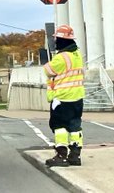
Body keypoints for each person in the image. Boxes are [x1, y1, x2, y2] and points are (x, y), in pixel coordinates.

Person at [43, 24, 85, 167]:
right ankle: (75, 155)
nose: (55, 42)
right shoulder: (77, 55)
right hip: (77, 97)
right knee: (75, 126)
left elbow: (48, 71)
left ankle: (61, 154)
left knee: (59, 125)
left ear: (61, 40)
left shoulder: (61, 57)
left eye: (56, 40)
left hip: (62, 98)